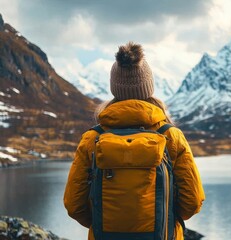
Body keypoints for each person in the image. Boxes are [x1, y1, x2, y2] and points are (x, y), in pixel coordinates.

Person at [63, 42, 205, 240]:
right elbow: (193, 201)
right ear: (148, 87)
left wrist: (101, 222)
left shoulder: (92, 139)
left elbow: (73, 204)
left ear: (115, 88)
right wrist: (165, 219)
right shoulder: (170, 136)